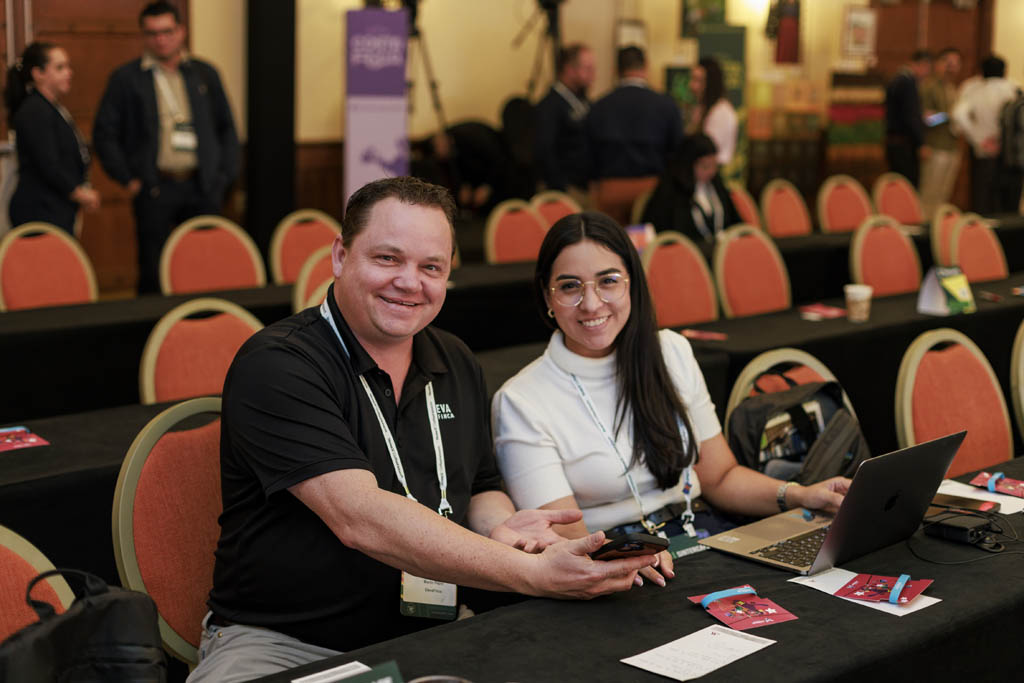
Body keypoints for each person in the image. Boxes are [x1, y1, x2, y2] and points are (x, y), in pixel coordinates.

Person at [187, 177, 656, 683]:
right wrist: (530, 572)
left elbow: (480, 484)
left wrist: (498, 528)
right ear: (341, 256)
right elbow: (359, 518)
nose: (410, 282)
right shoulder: (279, 364)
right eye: (387, 258)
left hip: (435, 631)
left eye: (431, 267)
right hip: (291, 645)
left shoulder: (454, 358)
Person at [492, 212, 849, 587]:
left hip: (703, 532)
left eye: (608, 281)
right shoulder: (521, 400)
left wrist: (800, 495)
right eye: (570, 287)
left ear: (632, 284)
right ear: (547, 296)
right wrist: (629, 553)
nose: (592, 303)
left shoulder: (671, 352)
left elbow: (720, 478)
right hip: (611, 562)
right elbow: (570, 538)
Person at [93, 1, 239, 293]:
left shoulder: (204, 73)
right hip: (155, 187)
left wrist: (223, 178)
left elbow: (227, 129)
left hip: (202, 186)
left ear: (181, 31)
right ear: (143, 36)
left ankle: (205, 317)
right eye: (152, 33)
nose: (161, 40)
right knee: (154, 269)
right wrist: (128, 179)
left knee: (205, 264)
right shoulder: (127, 79)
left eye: (167, 32)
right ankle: (155, 322)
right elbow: (104, 134)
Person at [4, 42, 98, 233]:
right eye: (60, 68)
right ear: (38, 73)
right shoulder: (34, 111)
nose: (69, 73)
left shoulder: (51, 108)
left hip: (55, 207)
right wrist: (78, 193)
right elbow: (47, 164)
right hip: (40, 210)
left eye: (68, 66)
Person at [587, 46, 683, 225]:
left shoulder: (599, 106)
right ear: (646, 67)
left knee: (611, 238)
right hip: (652, 193)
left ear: (616, 70)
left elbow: (589, 155)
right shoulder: (666, 105)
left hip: (611, 192)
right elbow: (677, 152)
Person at [952, 54, 1021, 215]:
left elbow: (958, 115)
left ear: (982, 72)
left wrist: (979, 139)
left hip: (983, 150)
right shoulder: (1014, 88)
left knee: (983, 198)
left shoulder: (971, 87)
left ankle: (981, 229)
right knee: (1008, 203)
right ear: (1005, 71)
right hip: (1010, 154)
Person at [641, 133, 740, 242]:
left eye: (715, 166)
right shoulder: (671, 191)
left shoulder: (716, 183)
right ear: (689, 164)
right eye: (705, 167)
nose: (711, 172)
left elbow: (736, 222)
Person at [535, 43, 595, 206]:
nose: (593, 75)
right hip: (565, 191)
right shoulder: (550, 106)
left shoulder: (583, 100)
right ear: (569, 69)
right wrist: (561, 188)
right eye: (588, 69)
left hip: (585, 186)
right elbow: (544, 150)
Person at [919, 47, 963, 218]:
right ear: (938, 64)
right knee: (929, 195)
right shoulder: (929, 87)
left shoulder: (952, 88)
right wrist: (948, 116)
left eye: (955, 64)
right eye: (947, 62)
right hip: (935, 147)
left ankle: (939, 227)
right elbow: (926, 119)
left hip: (952, 147)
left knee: (944, 195)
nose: (951, 67)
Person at [885, 50, 931, 187]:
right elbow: (911, 116)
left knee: (898, 183)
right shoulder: (908, 82)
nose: (927, 73)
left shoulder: (897, 79)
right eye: (927, 68)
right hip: (904, 143)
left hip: (893, 141)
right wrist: (921, 143)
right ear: (921, 65)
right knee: (907, 186)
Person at [686, 57, 738, 167]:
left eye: (698, 80)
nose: (692, 86)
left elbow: (707, 152)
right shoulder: (704, 108)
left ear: (711, 83)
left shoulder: (721, 111)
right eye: (692, 79)